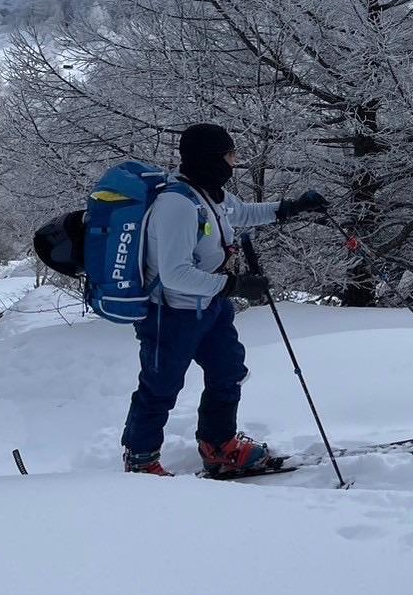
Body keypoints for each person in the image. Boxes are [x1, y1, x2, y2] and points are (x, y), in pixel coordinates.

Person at [120, 123, 327, 476]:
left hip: (210, 307)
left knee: (228, 372)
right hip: (170, 313)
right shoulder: (177, 205)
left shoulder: (209, 194)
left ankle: (219, 446)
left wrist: (290, 208)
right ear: (210, 157)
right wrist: (234, 286)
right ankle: (141, 460)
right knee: (161, 386)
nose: (234, 162)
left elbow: (241, 213)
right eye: (230, 155)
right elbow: (174, 274)